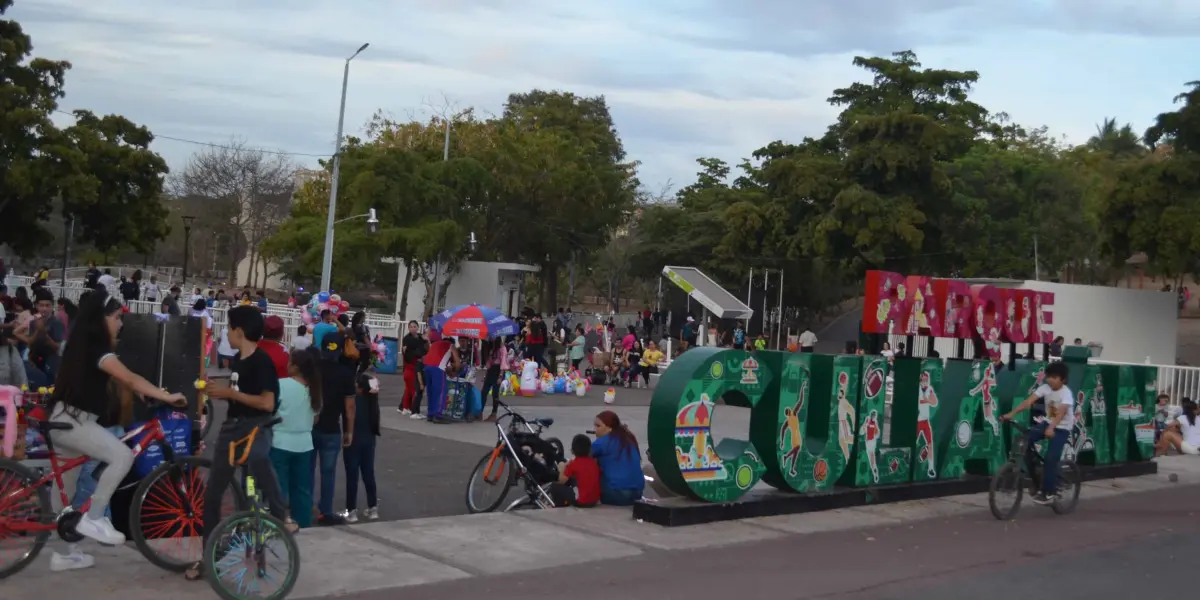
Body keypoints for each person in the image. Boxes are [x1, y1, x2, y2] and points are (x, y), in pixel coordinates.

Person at [46, 292, 186, 569]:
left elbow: (120, 382)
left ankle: (65, 553)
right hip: (74, 422)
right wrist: (166, 397)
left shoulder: (82, 345)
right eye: (117, 317)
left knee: (66, 492)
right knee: (122, 456)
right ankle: (96, 517)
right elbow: (131, 378)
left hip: (62, 420)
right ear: (102, 319)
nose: (121, 323)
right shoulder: (99, 349)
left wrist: (147, 393)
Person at [187, 305, 291, 581]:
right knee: (212, 496)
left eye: (229, 328)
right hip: (230, 429)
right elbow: (239, 390)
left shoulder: (262, 361)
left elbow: (266, 402)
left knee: (257, 459)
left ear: (239, 331)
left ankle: (282, 514)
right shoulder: (238, 361)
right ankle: (208, 557)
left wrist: (230, 395)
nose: (226, 333)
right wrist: (219, 388)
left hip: (255, 427)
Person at [1001, 360, 1074, 505]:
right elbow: (1028, 402)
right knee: (1024, 441)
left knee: (1051, 458)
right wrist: (1011, 413)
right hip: (1048, 423)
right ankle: (1037, 475)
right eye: (1049, 377)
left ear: (1063, 379)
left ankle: (1048, 492)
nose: (1050, 380)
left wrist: (1052, 427)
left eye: (1055, 377)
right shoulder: (1045, 388)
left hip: (1062, 427)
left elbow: (1061, 412)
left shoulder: (1066, 393)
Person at [271, 348, 322, 529]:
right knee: (301, 490)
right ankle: (304, 524)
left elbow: (271, 409)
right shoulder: (314, 389)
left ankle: (279, 523)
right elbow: (315, 418)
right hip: (304, 443)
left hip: (280, 442)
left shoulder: (280, 385)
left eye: (290, 362)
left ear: (295, 367)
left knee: (279, 488)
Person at [313, 331, 356, 526]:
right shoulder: (346, 374)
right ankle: (325, 511)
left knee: (305, 469)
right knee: (328, 473)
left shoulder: (311, 370)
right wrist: (349, 431)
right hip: (332, 428)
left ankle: (302, 509)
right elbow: (349, 407)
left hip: (309, 426)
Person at [343, 373, 381, 523]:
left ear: (358, 386)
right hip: (369, 440)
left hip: (354, 440)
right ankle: (373, 507)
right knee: (368, 474)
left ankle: (351, 510)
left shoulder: (353, 400)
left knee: (352, 475)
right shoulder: (373, 401)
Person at [591, 411, 645, 506]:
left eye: (598, 426)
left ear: (609, 428)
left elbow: (580, 456)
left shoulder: (602, 442)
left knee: (586, 465)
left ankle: (586, 498)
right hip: (637, 494)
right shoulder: (628, 438)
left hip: (616, 495)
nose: (595, 429)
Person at [550, 434, 601, 507]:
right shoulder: (593, 462)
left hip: (582, 502)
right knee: (574, 479)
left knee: (555, 486)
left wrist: (563, 468)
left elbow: (562, 480)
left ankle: (560, 505)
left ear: (573, 450)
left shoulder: (573, 464)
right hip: (594, 501)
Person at [26, 288, 64, 382]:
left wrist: (44, 333)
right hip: (35, 363)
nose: (44, 309)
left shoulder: (56, 323)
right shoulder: (33, 323)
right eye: (41, 305)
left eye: (47, 305)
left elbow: (57, 347)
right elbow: (31, 343)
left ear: (52, 306)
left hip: (51, 363)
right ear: (36, 306)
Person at [423, 334, 460, 424]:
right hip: (437, 368)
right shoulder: (451, 346)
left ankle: (430, 414)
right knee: (441, 391)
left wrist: (449, 371)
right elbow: (457, 363)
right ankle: (438, 414)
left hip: (427, 366)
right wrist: (455, 373)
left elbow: (443, 363)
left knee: (431, 391)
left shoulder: (435, 344)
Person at [399, 321, 426, 416]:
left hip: (415, 365)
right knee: (412, 388)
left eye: (414, 326)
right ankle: (408, 408)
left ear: (418, 327)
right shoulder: (408, 339)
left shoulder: (420, 337)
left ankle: (406, 407)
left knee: (410, 388)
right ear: (408, 328)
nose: (413, 328)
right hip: (410, 365)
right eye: (411, 327)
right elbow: (408, 352)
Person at [481, 339, 507, 422]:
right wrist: (486, 374)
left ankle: (494, 414)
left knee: (495, 393)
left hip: (498, 371)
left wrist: (500, 376)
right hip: (490, 370)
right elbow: (488, 362)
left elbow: (503, 362)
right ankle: (479, 412)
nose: (491, 339)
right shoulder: (490, 347)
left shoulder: (502, 348)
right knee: (484, 392)